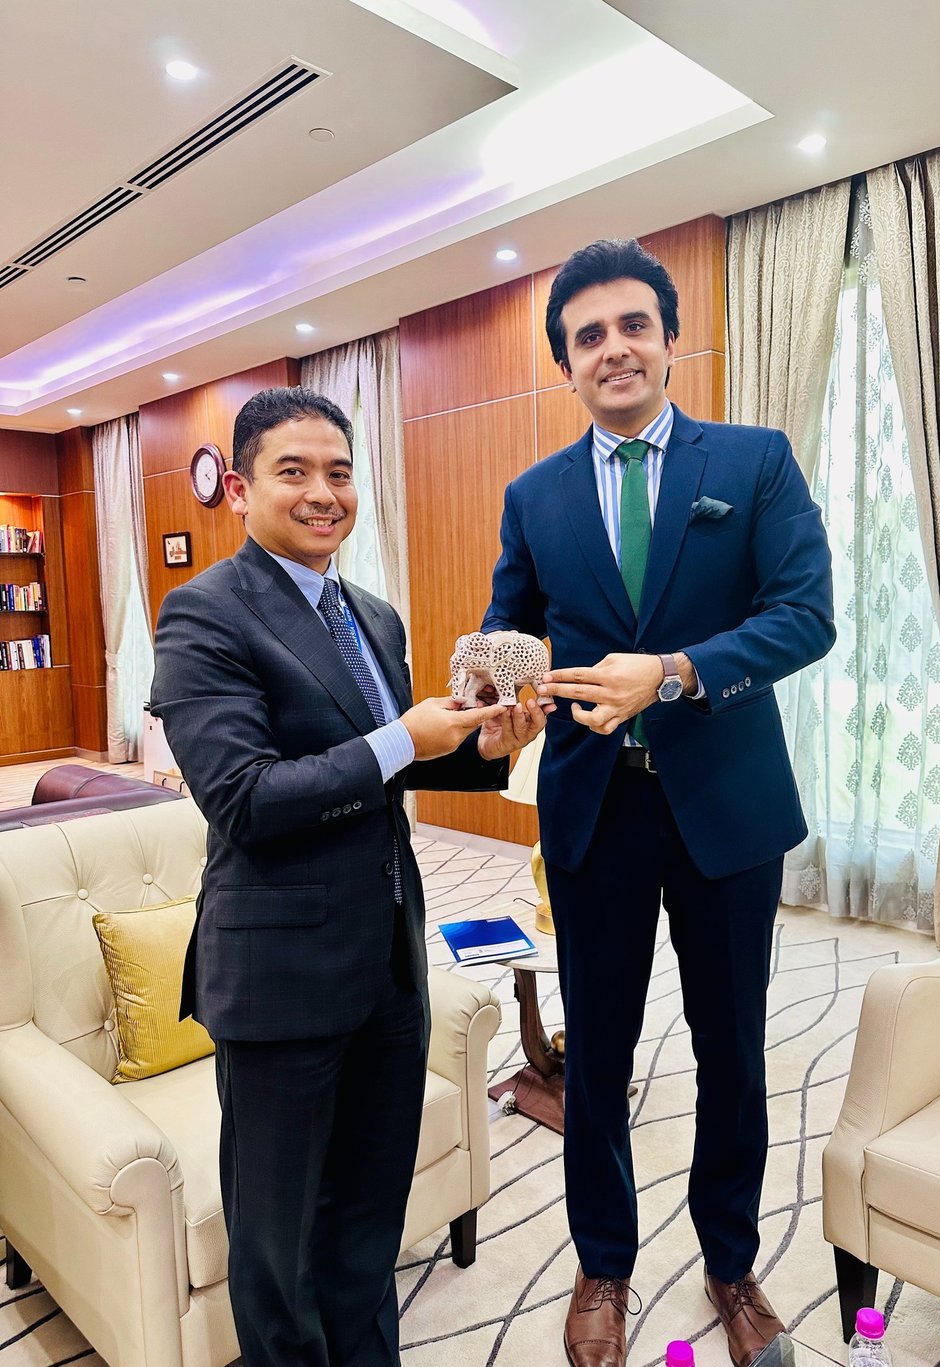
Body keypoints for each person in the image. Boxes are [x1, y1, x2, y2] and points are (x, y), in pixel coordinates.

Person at [482, 240, 835, 1367]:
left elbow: (805, 615)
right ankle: (603, 1262)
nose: (614, 348)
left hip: (726, 804)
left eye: (633, 324)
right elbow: (510, 635)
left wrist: (675, 671)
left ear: (671, 339)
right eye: (588, 335)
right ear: (566, 364)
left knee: (733, 1046)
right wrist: (499, 700)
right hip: (594, 810)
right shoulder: (533, 494)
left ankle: (732, 1262)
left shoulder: (755, 460)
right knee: (597, 1049)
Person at [150, 386, 545, 1367]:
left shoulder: (372, 613)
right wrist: (398, 736)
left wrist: (488, 747)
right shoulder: (202, 613)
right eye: (293, 471)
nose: (323, 493)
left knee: (372, 1218)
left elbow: (390, 769)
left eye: (339, 472)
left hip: (389, 964)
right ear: (239, 488)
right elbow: (243, 796)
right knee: (278, 1247)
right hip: (280, 980)